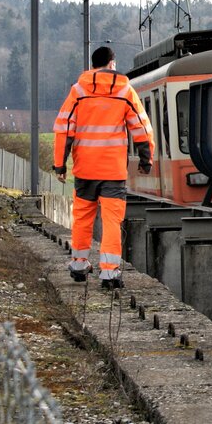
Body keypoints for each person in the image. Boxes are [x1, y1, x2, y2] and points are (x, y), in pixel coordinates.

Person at [52, 45, 154, 289]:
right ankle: (109, 272)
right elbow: (141, 127)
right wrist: (146, 159)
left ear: (93, 64)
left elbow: (64, 128)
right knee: (111, 221)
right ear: (111, 63)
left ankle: (78, 264)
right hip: (113, 171)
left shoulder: (78, 91)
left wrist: (59, 164)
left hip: (85, 169)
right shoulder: (124, 91)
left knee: (83, 217)